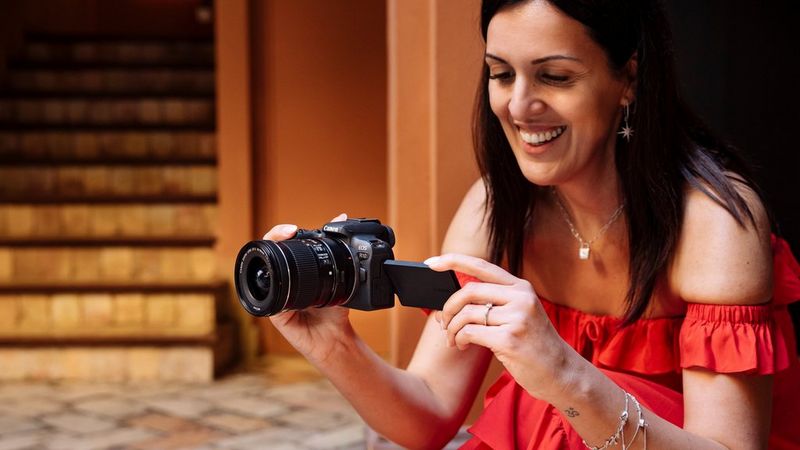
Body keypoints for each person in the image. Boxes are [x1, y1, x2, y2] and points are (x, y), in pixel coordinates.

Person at [262, 0, 800, 448]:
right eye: (501, 74)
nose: (519, 105)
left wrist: (564, 377)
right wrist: (335, 347)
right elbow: (428, 416)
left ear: (628, 80)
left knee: (545, 407)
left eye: (556, 76)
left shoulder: (715, 221)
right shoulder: (496, 208)